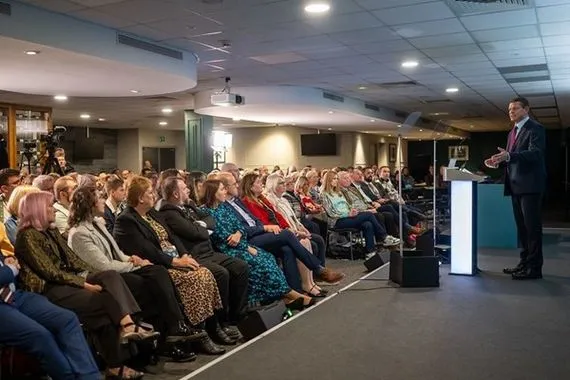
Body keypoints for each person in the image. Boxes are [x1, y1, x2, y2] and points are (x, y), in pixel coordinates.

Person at [15, 191, 153, 379]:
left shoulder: (52, 230)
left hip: (67, 280)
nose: (53, 210)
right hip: (47, 289)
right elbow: (50, 273)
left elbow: (73, 260)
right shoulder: (28, 236)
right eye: (49, 206)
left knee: (110, 276)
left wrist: (93, 275)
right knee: (103, 302)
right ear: (37, 210)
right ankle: (117, 359)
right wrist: (84, 284)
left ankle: (126, 325)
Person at [67, 186, 206, 358]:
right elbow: (102, 266)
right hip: (103, 278)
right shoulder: (79, 234)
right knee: (151, 281)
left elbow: (117, 253)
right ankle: (172, 331)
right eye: (100, 198)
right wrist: (136, 265)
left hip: (117, 270)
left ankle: (173, 331)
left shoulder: (97, 224)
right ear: (90, 203)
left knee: (157, 273)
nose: (103, 201)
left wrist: (131, 259)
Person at [113, 176, 234, 347]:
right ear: (140, 198)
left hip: (174, 258)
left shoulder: (152, 214)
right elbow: (148, 250)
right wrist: (175, 262)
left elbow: (173, 237)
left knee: (205, 273)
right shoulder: (126, 220)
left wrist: (185, 255)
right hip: (157, 264)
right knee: (196, 278)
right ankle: (200, 335)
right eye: (150, 192)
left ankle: (212, 326)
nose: (154, 195)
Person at [201, 179, 315, 309]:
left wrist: (238, 233)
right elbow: (221, 237)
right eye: (222, 189)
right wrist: (246, 247)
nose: (225, 191)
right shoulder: (206, 212)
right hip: (228, 249)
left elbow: (240, 227)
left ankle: (285, 296)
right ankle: (290, 294)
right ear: (213, 193)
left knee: (268, 258)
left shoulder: (223, 207)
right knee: (259, 263)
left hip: (242, 243)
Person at [158, 176, 248, 340]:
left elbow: (210, 220)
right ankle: (219, 323)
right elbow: (193, 232)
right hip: (196, 255)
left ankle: (237, 317)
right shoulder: (169, 213)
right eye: (184, 188)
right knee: (221, 274)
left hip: (209, 252)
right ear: (176, 194)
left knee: (241, 267)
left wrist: (202, 225)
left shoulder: (189, 205)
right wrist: (202, 228)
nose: (188, 190)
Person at [0, 252, 101, 380]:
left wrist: (8, 261)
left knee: (67, 319)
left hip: (14, 295)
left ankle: (90, 377)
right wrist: (10, 269)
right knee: (40, 335)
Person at [484, 96, 546, 280]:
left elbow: (535, 154)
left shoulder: (536, 128)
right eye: (509, 109)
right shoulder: (512, 132)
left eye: (515, 108)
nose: (511, 111)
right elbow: (511, 158)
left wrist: (509, 157)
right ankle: (524, 263)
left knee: (532, 229)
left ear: (526, 109)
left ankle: (534, 269)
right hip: (516, 186)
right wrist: (498, 162)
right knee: (522, 229)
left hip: (531, 186)